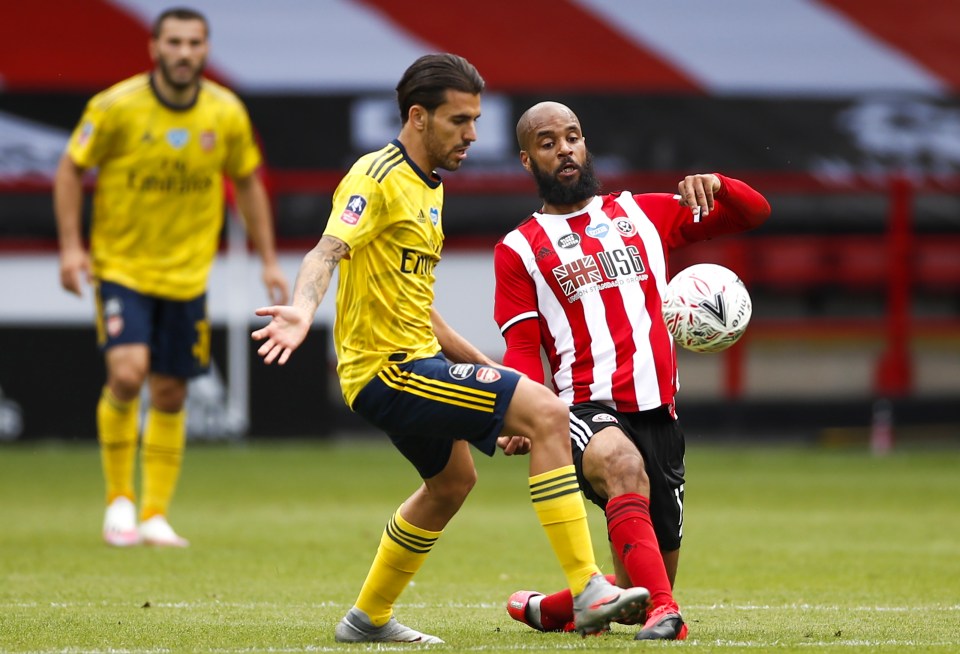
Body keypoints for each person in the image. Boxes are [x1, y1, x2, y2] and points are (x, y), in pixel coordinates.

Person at [251, 55, 649, 644]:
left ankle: (366, 619)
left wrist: (491, 375)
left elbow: (423, 313)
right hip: (389, 372)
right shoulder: (376, 177)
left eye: (475, 119)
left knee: (452, 482)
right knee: (548, 414)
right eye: (460, 120)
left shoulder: (428, 189)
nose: (473, 135)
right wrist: (303, 310)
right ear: (418, 117)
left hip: (416, 362)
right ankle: (589, 587)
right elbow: (327, 250)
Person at [494, 101, 771, 640]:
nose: (565, 149)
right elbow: (523, 346)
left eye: (572, 137)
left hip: (660, 415)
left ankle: (550, 608)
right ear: (527, 161)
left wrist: (719, 183)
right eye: (548, 143)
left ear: (585, 143)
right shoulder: (518, 249)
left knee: (636, 592)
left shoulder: (641, 213)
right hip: (584, 408)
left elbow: (753, 213)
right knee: (622, 467)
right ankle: (671, 616)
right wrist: (523, 410)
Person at [54, 7, 289, 548]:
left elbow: (248, 182)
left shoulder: (225, 112)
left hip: (188, 275)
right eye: (175, 43)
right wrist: (71, 248)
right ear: (154, 49)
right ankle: (119, 502)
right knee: (129, 374)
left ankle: (155, 514)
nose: (185, 53)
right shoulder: (115, 107)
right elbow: (70, 167)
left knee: (169, 391)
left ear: (205, 50)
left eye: (194, 43)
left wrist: (268, 257)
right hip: (122, 267)